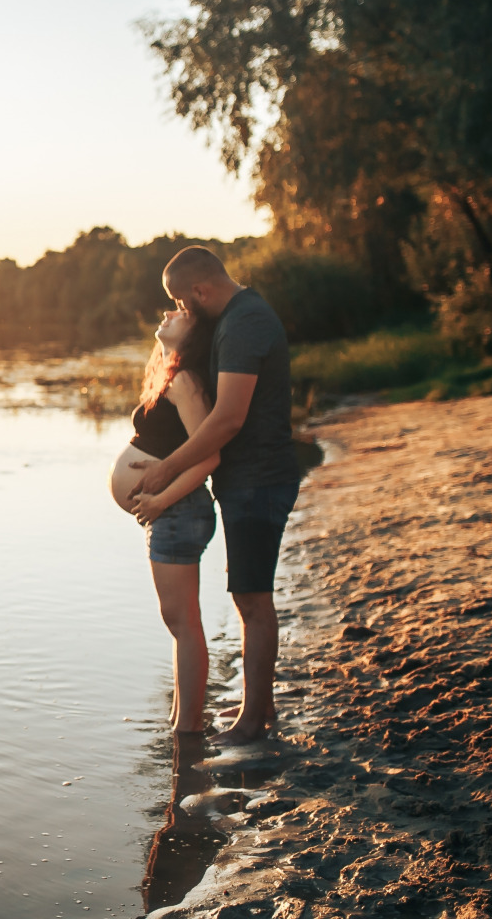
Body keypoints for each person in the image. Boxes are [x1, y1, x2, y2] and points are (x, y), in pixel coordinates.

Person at [133, 246, 300, 745]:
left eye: (184, 302)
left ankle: (254, 720)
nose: (183, 311)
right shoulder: (236, 318)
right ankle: (259, 699)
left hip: (260, 479)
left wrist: (166, 470)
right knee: (246, 592)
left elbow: (227, 418)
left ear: (201, 290)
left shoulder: (245, 322)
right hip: (247, 480)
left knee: (251, 597)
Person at [109, 306, 220, 733]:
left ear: (195, 334)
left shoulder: (186, 381)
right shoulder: (170, 375)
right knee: (179, 622)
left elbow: (209, 454)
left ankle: (189, 726)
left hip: (177, 510)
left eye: (182, 312)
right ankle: (182, 720)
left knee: (184, 624)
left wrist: (160, 501)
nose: (170, 313)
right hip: (168, 513)